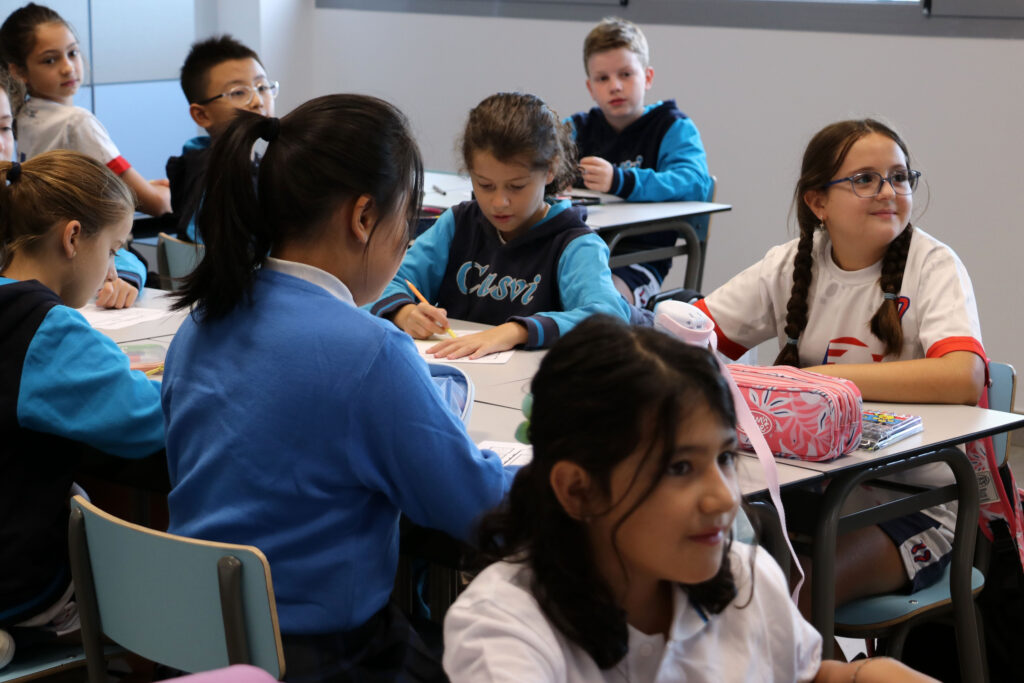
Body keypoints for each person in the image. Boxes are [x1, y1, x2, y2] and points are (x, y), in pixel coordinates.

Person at [161, 94, 514, 681]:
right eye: (409, 220)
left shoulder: (203, 321)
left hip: (195, 645)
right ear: (363, 218)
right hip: (317, 657)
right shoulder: (369, 350)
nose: (407, 242)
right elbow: (476, 507)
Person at [443, 315, 934, 682]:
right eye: (679, 468)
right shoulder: (505, 629)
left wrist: (862, 675)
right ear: (577, 489)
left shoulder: (744, 576)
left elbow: (801, 675)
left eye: (723, 458)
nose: (723, 499)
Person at [693, 119, 992, 614]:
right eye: (864, 179)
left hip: (916, 505)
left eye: (899, 177)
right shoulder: (789, 264)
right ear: (818, 202)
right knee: (703, 576)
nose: (887, 192)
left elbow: (964, 377)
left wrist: (817, 380)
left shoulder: (932, 264)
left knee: (782, 602)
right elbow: (694, 339)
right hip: (804, 490)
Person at [0, 150, 164, 668]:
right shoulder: (47, 328)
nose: (112, 268)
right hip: (21, 577)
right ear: (72, 238)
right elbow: (148, 423)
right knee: (157, 583)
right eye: (113, 250)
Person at [370, 92, 630, 359]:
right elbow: (381, 283)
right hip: (460, 375)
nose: (499, 202)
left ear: (550, 170)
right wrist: (404, 312)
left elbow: (609, 316)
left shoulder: (572, 242)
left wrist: (517, 331)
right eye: (484, 185)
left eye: (516, 186)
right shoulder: (458, 224)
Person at [0, 2, 168, 305]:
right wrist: (165, 193)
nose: (67, 67)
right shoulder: (77, 122)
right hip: (77, 268)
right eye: (50, 60)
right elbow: (152, 203)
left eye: (73, 52)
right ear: (18, 71)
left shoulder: (20, 116)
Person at [566, 17, 713, 307]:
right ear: (590, 87)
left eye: (626, 74)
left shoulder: (672, 126)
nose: (615, 86)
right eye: (603, 78)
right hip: (575, 249)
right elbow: (539, 161)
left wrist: (620, 181)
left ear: (647, 77)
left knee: (605, 307)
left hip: (638, 257)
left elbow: (695, 183)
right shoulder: (576, 128)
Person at [168, 34, 277, 243]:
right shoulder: (219, 176)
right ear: (202, 115)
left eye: (262, 87)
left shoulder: (200, 158)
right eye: (238, 93)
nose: (257, 101)